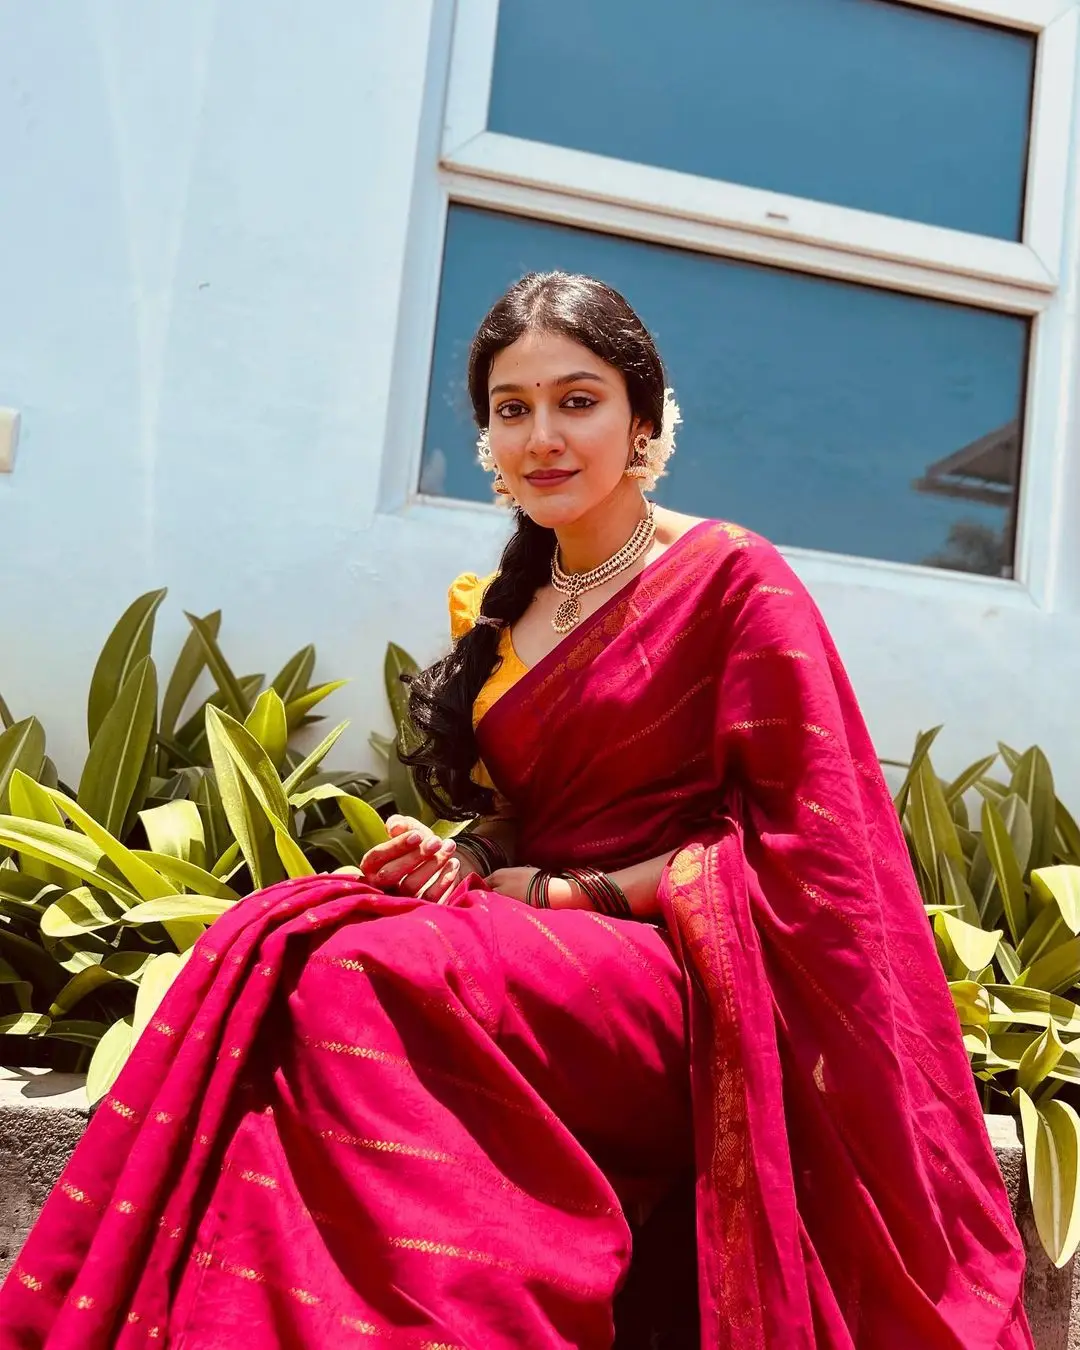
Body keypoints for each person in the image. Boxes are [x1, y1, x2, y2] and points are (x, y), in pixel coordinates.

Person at [0, 272, 1032, 1349]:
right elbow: (526, 816)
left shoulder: (731, 580)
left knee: (372, 970)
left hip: (686, 979)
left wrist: (575, 891)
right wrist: (462, 855)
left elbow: (800, 844)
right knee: (296, 952)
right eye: (511, 408)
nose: (542, 434)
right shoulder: (501, 610)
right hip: (539, 951)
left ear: (643, 415)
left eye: (576, 400)